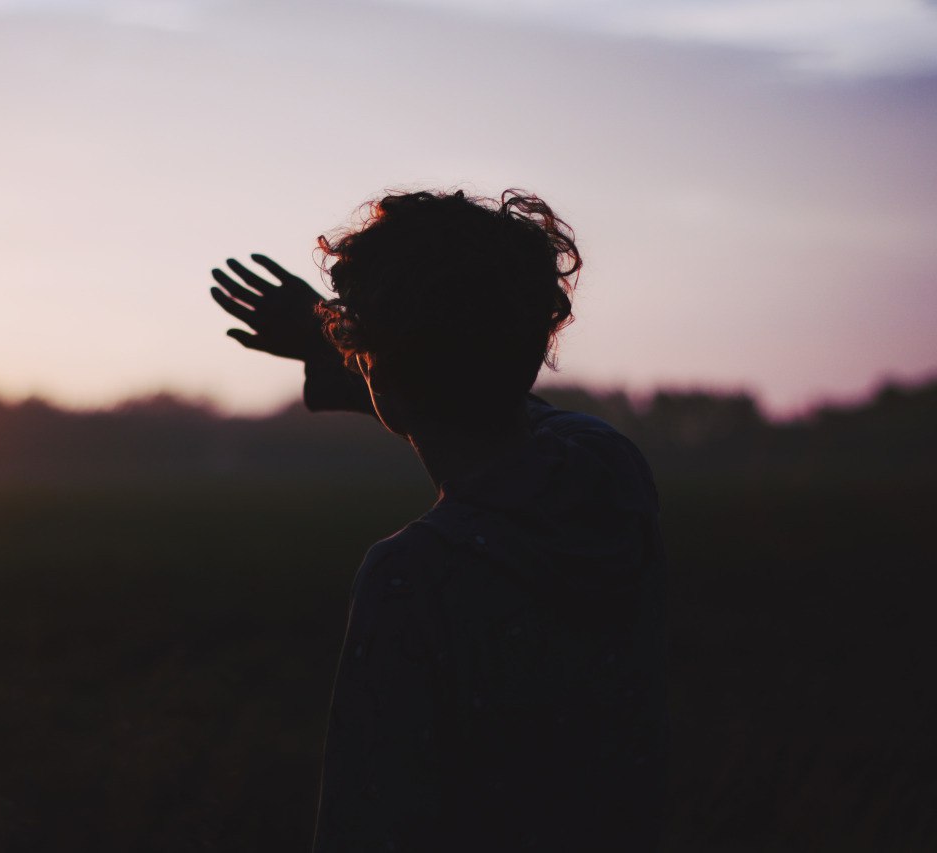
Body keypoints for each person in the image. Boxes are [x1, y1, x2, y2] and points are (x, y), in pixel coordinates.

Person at [210, 189, 667, 851]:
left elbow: (366, 818)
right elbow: (472, 398)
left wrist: (339, 342)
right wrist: (355, 343)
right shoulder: (610, 468)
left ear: (378, 363)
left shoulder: (413, 575)